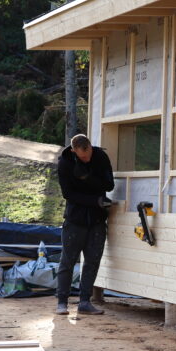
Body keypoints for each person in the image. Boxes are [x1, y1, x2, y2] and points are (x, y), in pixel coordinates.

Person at [56, 134, 114, 316]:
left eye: (88, 154)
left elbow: (109, 185)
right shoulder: (65, 163)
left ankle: (85, 302)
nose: (87, 159)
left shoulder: (100, 156)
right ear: (74, 151)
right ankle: (62, 302)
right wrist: (94, 200)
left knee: (92, 261)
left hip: (97, 219)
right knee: (68, 261)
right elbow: (68, 194)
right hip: (75, 219)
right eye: (83, 157)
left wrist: (88, 178)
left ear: (90, 146)